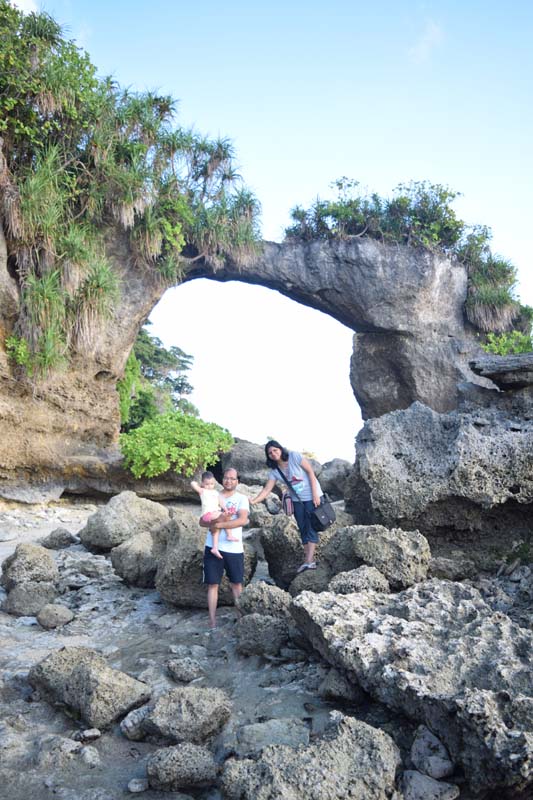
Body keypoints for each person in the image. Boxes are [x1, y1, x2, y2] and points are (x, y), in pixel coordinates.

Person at [250, 439, 323, 573]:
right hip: (297, 501)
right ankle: (308, 560)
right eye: (270, 452)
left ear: (280, 449)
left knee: (311, 527)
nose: (273, 453)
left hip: (312, 496)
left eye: (275, 450)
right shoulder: (275, 471)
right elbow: (267, 490)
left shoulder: (294, 456)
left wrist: (315, 494)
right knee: (302, 528)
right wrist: (254, 501)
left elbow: (310, 472)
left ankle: (309, 561)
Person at [199, 467, 249, 630]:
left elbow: (242, 520)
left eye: (232, 478)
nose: (229, 481)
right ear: (222, 479)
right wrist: (212, 522)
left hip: (234, 549)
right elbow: (202, 521)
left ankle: (241, 618)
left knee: (237, 584)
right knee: (212, 584)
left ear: (237, 481)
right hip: (212, 546)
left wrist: (219, 524)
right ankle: (212, 621)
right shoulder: (212, 494)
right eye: (226, 478)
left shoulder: (242, 498)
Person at [190, 471, 236, 559]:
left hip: (216, 513)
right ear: (202, 484)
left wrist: (226, 509)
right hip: (207, 515)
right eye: (207, 484)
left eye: (211, 484)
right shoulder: (202, 491)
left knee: (218, 526)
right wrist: (195, 483)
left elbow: (221, 502)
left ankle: (215, 547)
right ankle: (228, 534)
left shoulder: (215, 492)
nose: (209, 486)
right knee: (223, 516)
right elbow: (193, 484)